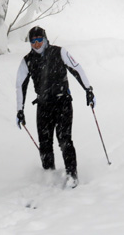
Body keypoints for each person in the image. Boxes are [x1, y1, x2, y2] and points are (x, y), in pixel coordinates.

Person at [15, 26, 95, 188]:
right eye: (33, 42)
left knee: (64, 139)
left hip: (62, 102)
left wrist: (88, 89)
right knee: (45, 143)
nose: (36, 45)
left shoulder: (59, 52)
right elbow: (20, 86)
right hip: (43, 105)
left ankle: (72, 175)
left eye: (39, 41)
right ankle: (49, 175)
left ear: (45, 40)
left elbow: (76, 69)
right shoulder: (27, 61)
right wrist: (20, 110)